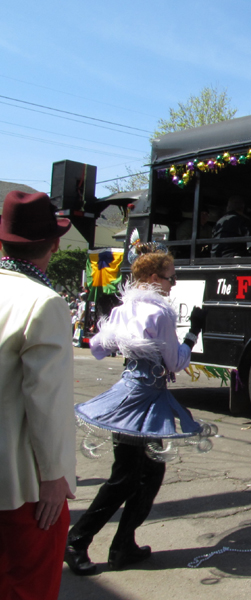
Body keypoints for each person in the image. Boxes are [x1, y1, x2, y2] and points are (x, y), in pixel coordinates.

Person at [65, 245, 214, 575]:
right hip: (141, 400)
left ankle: (123, 545)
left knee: (145, 473)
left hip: (132, 392)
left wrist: (126, 337)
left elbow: (100, 349)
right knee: (126, 477)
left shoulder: (124, 309)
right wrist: (193, 331)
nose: (173, 284)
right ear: (152, 278)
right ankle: (77, 540)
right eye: (170, 278)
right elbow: (176, 361)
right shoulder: (161, 314)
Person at [0, 190, 77, 600]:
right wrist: (53, 477)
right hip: (21, 484)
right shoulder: (44, 303)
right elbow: (46, 402)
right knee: (29, 586)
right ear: (54, 245)